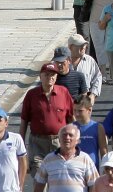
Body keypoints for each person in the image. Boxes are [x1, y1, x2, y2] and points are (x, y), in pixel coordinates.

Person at [20, 63, 75, 192]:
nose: (50, 77)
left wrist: (74, 142)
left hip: (59, 144)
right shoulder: (31, 94)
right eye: (47, 74)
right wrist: (21, 146)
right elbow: (23, 122)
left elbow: (71, 119)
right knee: (39, 181)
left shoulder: (64, 92)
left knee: (58, 181)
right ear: (40, 76)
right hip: (37, 144)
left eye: (53, 75)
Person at [31, 125, 97, 192]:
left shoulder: (85, 159)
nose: (67, 137)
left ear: (77, 141)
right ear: (59, 139)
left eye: (70, 135)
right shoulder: (48, 159)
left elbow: (94, 185)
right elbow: (39, 184)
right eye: (64, 135)